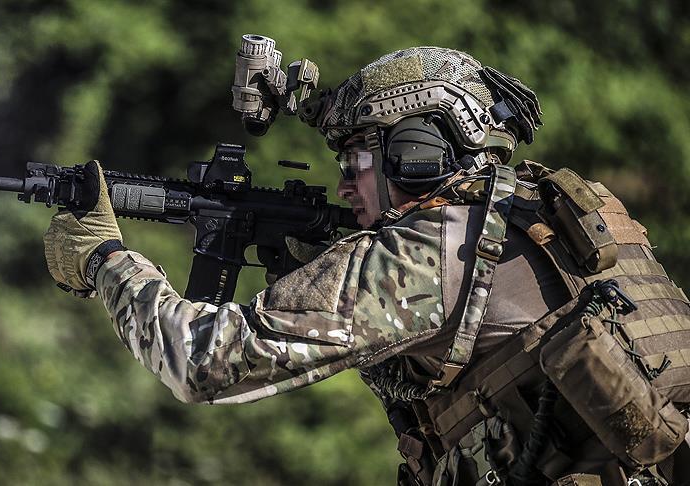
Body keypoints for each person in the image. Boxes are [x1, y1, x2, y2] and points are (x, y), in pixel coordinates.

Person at [42, 46, 690, 485]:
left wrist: (104, 258)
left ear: (416, 156)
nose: (346, 188)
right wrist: (310, 108)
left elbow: (202, 360)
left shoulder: (428, 251)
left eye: (355, 162)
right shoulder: (569, 211)